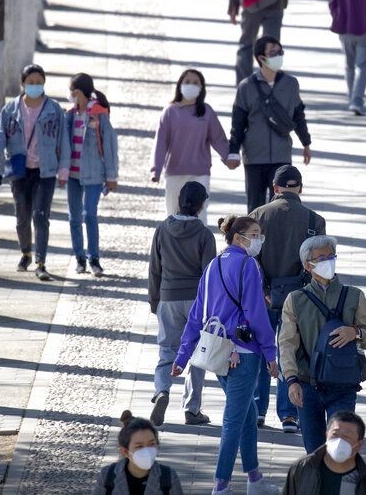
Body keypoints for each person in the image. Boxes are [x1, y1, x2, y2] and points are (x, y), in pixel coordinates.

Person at [173, 216, 281, 495]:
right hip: (244, 353)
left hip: (217, 353)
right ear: (239, 237)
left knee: (247, 413)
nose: (259, 239)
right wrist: (271, 353)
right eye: (255, 234)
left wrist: (183, 356)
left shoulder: (212, 265)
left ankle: (254, 479)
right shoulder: (248, 264)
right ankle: (221, 485)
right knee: (235, 419)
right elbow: (256, 312)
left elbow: (198, 312)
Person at [249, 166, 327, 433]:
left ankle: (258, 409)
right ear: (300, 189)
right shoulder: (314, 220)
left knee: (261, 350)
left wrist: (263, 289)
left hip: (263, 297)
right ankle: (289, 413)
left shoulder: (258, 216)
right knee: (289, 352)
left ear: (275, 188)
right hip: (298, 298)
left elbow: (250, 260)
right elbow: (317, 262)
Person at [279, 236, 366, 453]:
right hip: (307, 385)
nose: (328, 261)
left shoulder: (354, 296)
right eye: (321, 258)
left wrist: (356, 332)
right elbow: (286, 344)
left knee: (340, 447)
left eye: (331, 256)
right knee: (314, 452)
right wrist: (291, 380)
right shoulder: (295, 300)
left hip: (343, 384)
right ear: (307, 265)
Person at [0, 65, 69, 282]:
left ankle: (41, 263)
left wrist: (63, 168)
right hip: (20, 170)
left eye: (38, 82)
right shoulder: (10, 110)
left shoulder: (54, 110)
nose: (35, 86)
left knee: (41, 216)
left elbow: (63, 141)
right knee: (22, 216)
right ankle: (25, 253)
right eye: (30, 82)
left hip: (46, 171)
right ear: (23, 84)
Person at [149, 181, 215, 427]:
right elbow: (209, 275)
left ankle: (162, 390)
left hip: (168, 296)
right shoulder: (205, 234)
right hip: (197, 301)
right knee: (198, 355)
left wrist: (154, 300)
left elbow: (154, 268)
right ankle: (192, 408)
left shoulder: (162, 229)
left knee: (167, 350)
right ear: (201, 205)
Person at [228, 37, 312, 211]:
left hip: (281, 156)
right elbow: (238, 122)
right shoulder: (246, 87)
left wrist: (306, 142)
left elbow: (298, 115)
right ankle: (255, 238)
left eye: (280, 51)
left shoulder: (291, 84)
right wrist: (233, 152)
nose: (278, 55)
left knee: (281, 207)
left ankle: (276, 238)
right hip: (254, 157)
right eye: (273, 52)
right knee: (255, 208)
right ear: (261, 58)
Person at [150, 69, 232, 223]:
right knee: (173, 214)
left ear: (201, 88)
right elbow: (160, 142)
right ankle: (172, 246)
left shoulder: (206, 111)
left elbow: (218, 137)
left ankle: (199, 246)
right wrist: (156, 169)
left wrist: (228, 156)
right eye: (187, 82)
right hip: (175, 172)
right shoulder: (170, 112)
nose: (191, 85)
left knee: (199, 215)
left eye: (196, 82)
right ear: (180, 84)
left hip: (200, 172)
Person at [64, 73, 119, 278]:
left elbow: (110, 145)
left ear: (79, 92)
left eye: (72, 91)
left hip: (94, 174)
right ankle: (79, 258)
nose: (70, 95)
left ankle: (94, 258)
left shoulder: (98, 114)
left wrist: (111, 175)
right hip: (72, 174)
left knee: (90, 214)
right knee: (74, 217)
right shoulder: (69, 114)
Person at [282, 411, 366, 494]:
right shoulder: (302, 469)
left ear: (359, 445)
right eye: (335, 435)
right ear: (326, 435)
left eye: (346, 437)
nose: (339, 441)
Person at [92, 411, 183, 495]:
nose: (147, 451)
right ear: (125, 451)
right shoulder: (108, 476)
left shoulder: (168, 477)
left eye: (151, 444)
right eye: (139, 446)